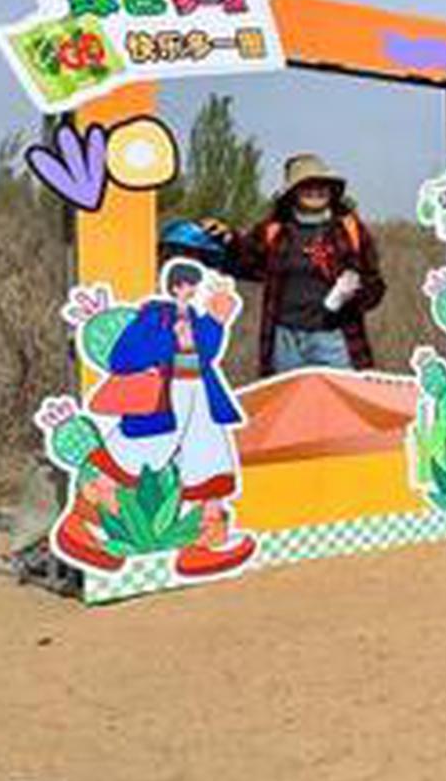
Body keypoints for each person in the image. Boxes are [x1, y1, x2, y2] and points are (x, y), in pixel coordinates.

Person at [80, 259, 256, 578]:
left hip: (198, 391)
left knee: (210, 458)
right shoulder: (153, 316)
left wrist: (216, 320)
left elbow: (205, 354)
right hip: (162, 397)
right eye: (190, 285)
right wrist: (173, 340)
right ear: (176, 286)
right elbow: (122, 358)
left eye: (197, 287)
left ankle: (204, 543)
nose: (194, 291)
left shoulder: (193, 316)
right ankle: (85, 524)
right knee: (136, 456)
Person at [204, 152, 386, 376]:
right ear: (293, 193)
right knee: (287, 407)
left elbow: (375, 285)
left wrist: (354, 296)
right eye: (306, 185)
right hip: (285, 340)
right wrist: (227, 239)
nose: (315, 190)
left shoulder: (351, 230)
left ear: (331, 190)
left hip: (335, 338)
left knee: (340, 407)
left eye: (322, 184)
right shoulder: (273, 230)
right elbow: (244, 262)